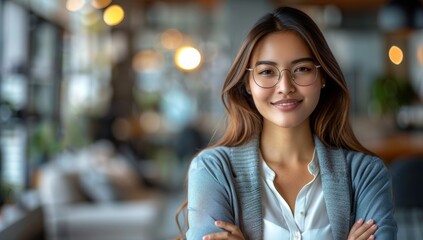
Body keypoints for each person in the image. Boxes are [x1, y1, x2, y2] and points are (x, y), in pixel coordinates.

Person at [176, 6, 397, 240]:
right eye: (267, 72)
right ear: (247, 83)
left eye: (301, 69)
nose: (285, 87)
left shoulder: (365, 174)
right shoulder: (212, 170)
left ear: (322, 77)